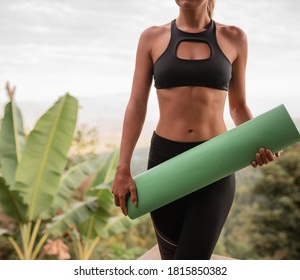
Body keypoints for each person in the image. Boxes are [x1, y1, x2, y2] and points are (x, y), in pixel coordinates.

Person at [111, 0, 281, 260]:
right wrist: (123, 168)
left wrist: (260, 141)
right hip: (165, 162)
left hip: (216, 161)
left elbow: (238, 107)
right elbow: (136, 105)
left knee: (192, 261)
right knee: (172, 258)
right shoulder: (151, 37)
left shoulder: (234, 37)